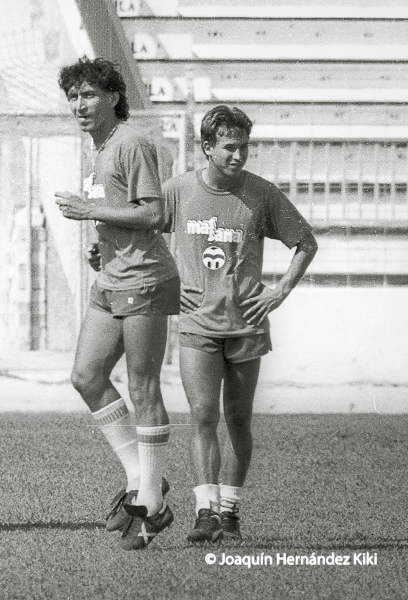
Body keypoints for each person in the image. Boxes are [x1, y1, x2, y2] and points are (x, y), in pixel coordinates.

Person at [164, 106, 316, 543]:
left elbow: (306, 242)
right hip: (197, 325)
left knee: (237, 419)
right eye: (230, 147)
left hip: (247, 323)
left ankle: (229, 510)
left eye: (244, 146)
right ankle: (204, 511)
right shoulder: (178, 191)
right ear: (207, 147)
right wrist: (167, 283)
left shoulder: (261, 194)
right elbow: (146, 233)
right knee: (201, 415)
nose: (238, 155)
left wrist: (280, 291)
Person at [55, 57, 180, 550]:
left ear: (112, 97)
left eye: (88, 95)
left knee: (143, 386)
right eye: (73, 97)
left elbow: (154, 213)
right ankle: (140, 476)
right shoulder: (100, 146)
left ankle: (150, 504)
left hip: (145, 279)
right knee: (86, 376)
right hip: (112, 276)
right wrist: (101, 237)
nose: (79, 105)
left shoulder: (130, 142)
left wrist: (90, 212)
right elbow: (125, 213)